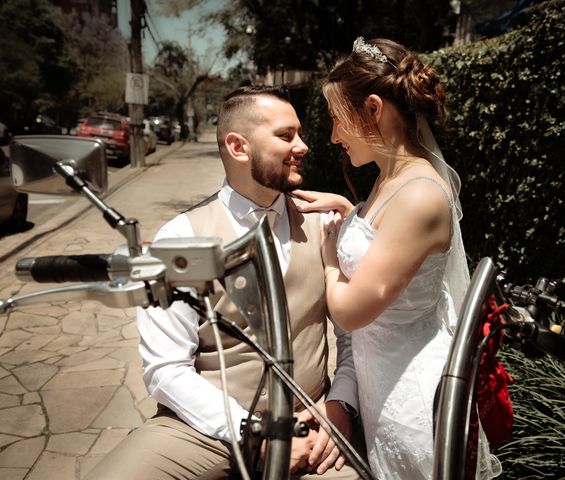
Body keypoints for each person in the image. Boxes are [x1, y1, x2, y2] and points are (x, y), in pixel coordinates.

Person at [86, 86, 360, 480]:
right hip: (203, 429)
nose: (303, 146)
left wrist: (340, 406)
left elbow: (352, 337)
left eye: (299, 134)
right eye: (286, 136)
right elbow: (166, 368)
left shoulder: (324, 223)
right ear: (238, 147)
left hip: (312, 420)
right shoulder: (180, 237)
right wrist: (254, 430)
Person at [296, 38, 502, 479]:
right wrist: (349, 214)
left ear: (372, 108)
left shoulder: (421, 195)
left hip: (411, 401)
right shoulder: (391, 177)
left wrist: (332, 257)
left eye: (336, 119)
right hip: (381, 386)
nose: (332, 135)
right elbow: (386, 243)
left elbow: (351, 312)